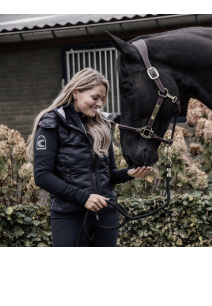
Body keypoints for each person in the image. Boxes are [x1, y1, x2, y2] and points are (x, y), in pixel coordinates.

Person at [27, 68, 151, 247]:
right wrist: (84, 197)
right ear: (76, 92)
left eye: (102, 99)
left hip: (106, 213)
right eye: (95, 97)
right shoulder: (51, 124)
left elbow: (109, 174)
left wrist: (129, 174)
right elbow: (42, 176)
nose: (100, 103)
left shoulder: (103, 125)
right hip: (69, 216)